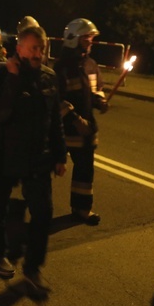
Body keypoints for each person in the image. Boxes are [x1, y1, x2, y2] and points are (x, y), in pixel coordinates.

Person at [0, 25, 67, 298]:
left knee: (43, 212)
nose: (38, 54)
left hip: (37, 158)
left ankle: (32, 267)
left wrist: (59, 153)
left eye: (41, 49)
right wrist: (14, 80)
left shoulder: (49, 77)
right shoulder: (2, 76)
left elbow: (54, 119)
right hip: (5, 154)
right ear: (19, 49)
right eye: (33, 48)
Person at [52, 18, 108, 225]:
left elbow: (96, 89)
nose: (91, 41)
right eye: (87, 38)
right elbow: (56, 99)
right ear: (74, 39)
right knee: (49, 166)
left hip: (86, 130)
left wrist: (100, 101)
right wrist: (74, 119)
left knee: (85, 170)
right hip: (65, 130)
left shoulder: (90, 64)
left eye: (91, 37)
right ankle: (38, 206)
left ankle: (82, 209)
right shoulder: (62, 67)